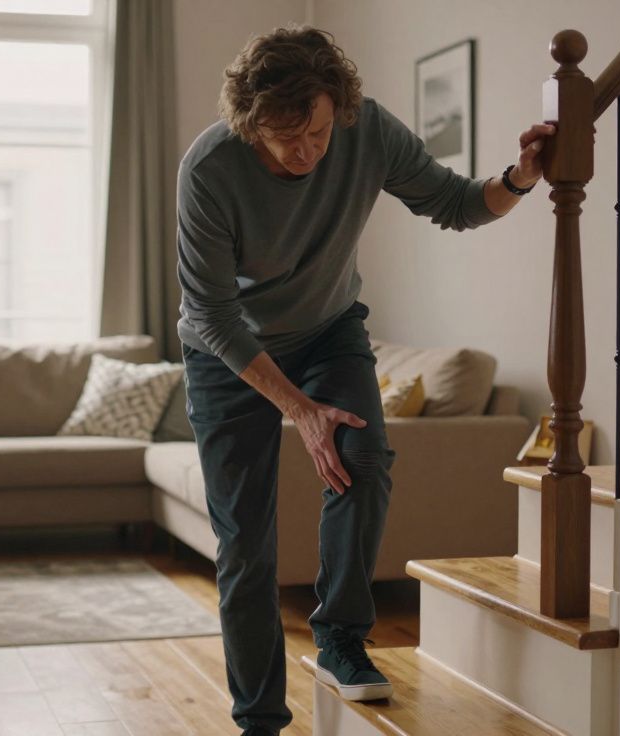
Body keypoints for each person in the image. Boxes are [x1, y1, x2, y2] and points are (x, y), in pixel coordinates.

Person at [176, 25, 554, 736]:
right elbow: (217, 318)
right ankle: (259, 717)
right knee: (246, 542)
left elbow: (457, 204)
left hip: (327, 331)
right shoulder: (210, 170)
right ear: (250, 120)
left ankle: (341, 637)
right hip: (228, 355)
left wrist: (521, 177)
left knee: (365, 459)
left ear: (338, 110)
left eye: (317, 131)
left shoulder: (365, 129)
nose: (305, 151)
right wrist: (301, 412)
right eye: (285, 136)